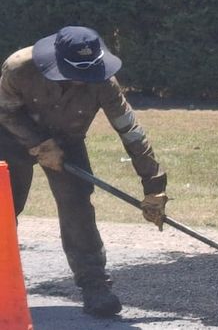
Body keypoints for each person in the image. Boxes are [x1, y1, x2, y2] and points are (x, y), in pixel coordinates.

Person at [0, 26, 168, 318]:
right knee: (4, 208)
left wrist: (154, 187)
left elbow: (130, 131)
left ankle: (95, 285)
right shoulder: (20, 67)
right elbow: (4, 110)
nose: (82, 80)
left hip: (67, 141)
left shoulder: (104, 83)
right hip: (11, 137)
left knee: (77, 205)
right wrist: (39, 143)